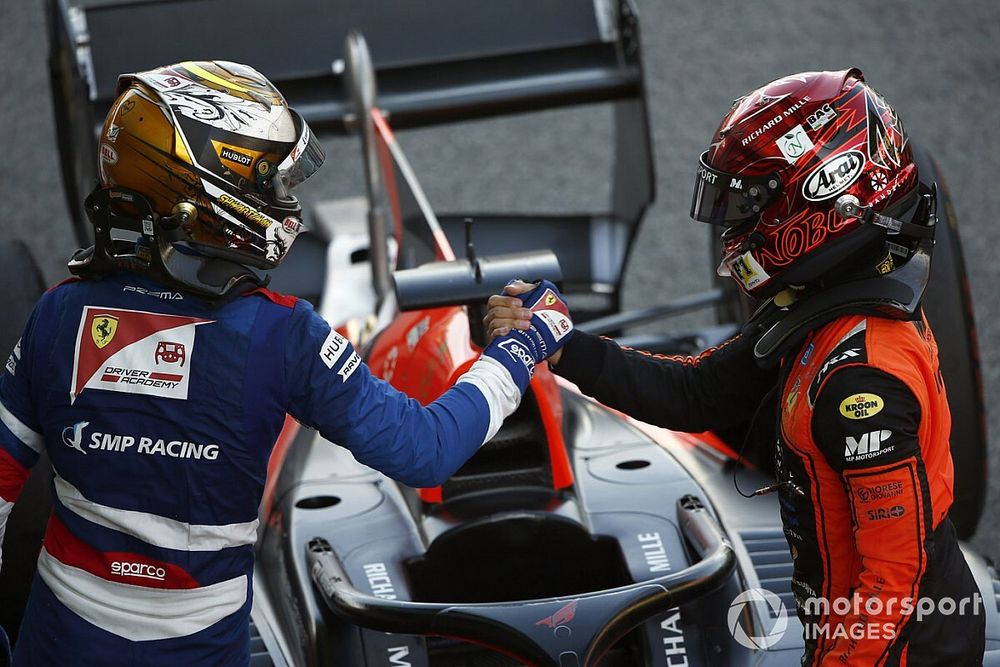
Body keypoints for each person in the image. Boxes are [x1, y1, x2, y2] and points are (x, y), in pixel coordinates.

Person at [0, 61, 572, 666]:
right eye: (266, 180)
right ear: (204, 196)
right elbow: (422, 449)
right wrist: (518, 351)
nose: (284, 198)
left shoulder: (57, 315)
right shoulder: (283, 334)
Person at [486, 69, 985, 665]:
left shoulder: (863, 382)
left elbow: (894, 583)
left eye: (752, 204)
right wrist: (562, 343)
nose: (735, 228)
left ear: (825, 195)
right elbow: (694, 394)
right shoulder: (822, 307)